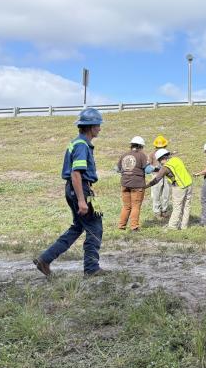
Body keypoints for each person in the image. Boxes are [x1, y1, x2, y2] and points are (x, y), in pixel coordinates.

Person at [33, 108, 107, 277]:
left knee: (78, 227)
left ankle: (45, 259)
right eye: (98, 125)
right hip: (80, 188)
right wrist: (82, 200)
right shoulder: (81, 145)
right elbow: (76, 173)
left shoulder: (77, 142)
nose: (100, 128)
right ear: (90, 126)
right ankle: (91, 268)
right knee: (95, 227)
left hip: (75, 189)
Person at [146, 149, 193, 229]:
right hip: (189, 184)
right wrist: (156, 169)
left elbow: (156, 180)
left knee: (177, 208)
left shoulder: (166, 167)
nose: (160, 163)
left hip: (179, 187)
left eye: (159, 160)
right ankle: (184, 226)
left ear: (162, 158)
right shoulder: (176, 159)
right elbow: (169, 170)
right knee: (186, 206)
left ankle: (172, 227)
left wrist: (145, 186)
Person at [117, 136, 152, 231]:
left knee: (126, 206)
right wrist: (154, 168)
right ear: (141, 146)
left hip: (124, 184)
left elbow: (118, 169)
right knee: (136, 206)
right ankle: (134, 227)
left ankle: (121, 226)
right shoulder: (141, 155)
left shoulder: (124, 155)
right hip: (137, 185)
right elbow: (148, 170)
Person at [149, 135, 172, 219]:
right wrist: (155, 167)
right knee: (156, 194)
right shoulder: (152, 154)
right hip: (156, 175)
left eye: (162, 147)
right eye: (159, 147)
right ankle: (157, 212)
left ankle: (164, 210)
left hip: (166, 176)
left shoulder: (167, 154)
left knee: (166, 194)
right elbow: (149, 165)